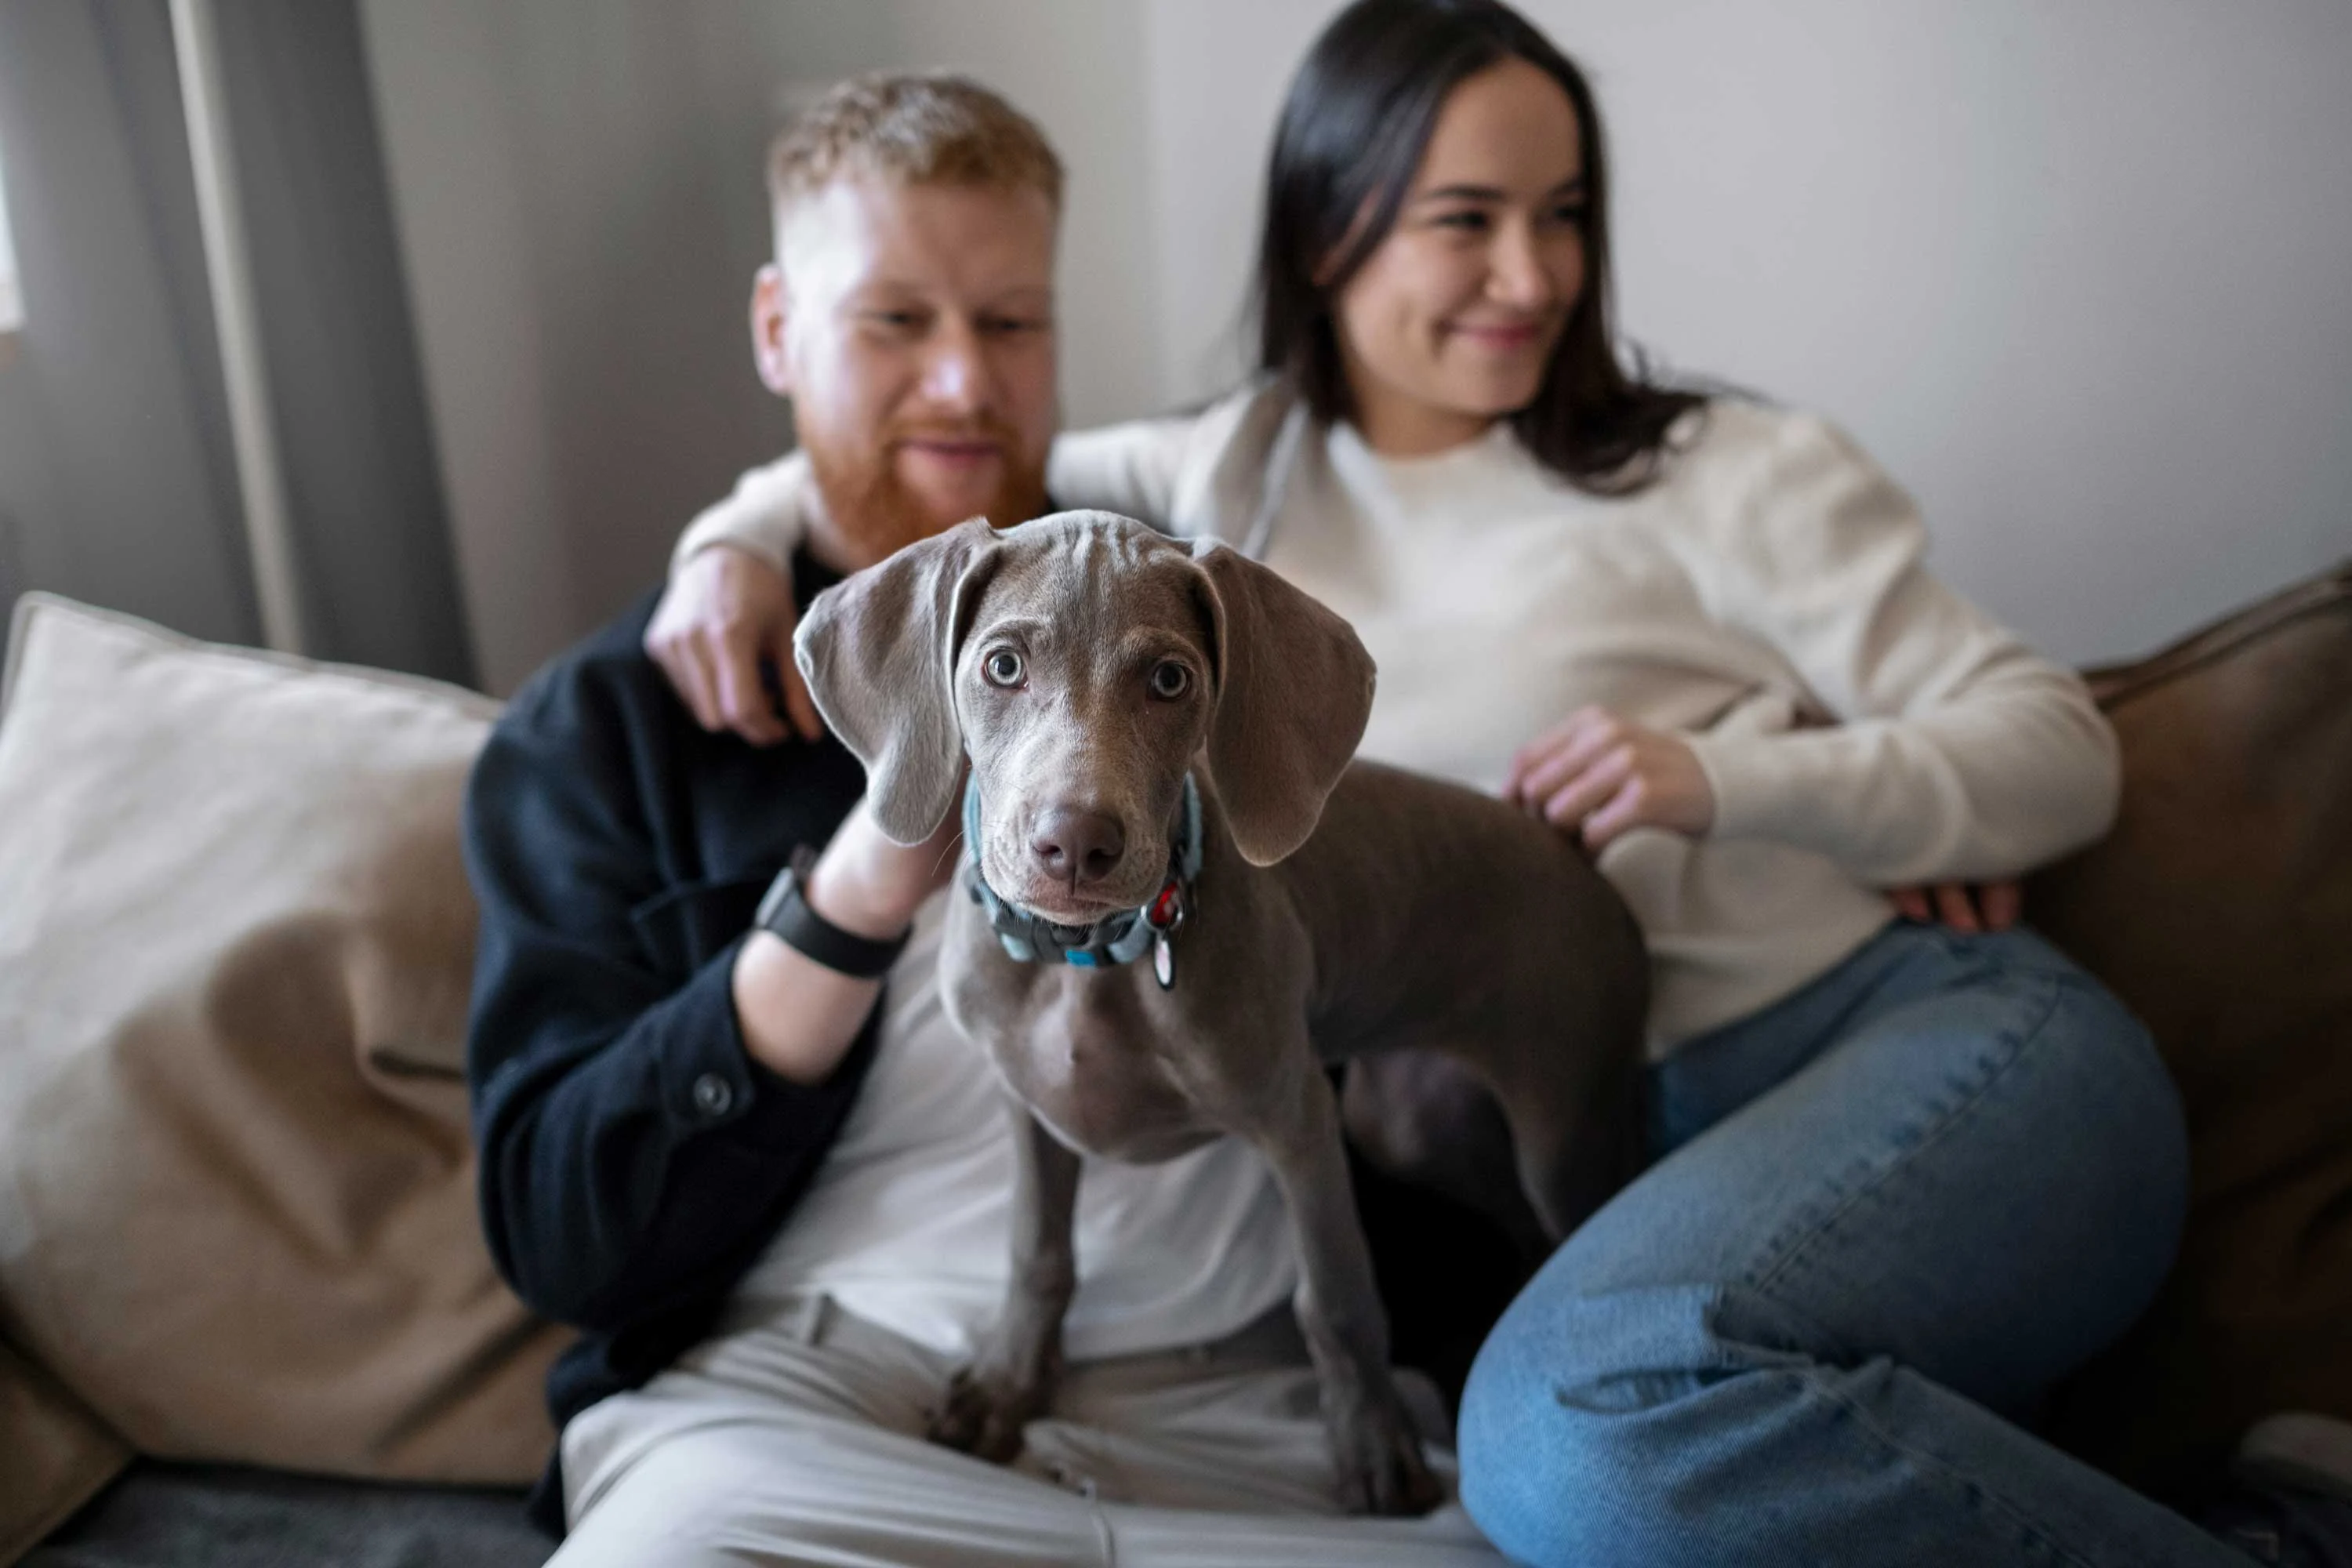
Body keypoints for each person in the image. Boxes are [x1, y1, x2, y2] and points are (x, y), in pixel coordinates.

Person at [651, 5, 2281, 1564]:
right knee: (1576, 1442)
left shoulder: (1726, 471)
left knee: (1565, 1430)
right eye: (1465, 217)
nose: (1532, 273)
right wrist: (725, 541)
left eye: (1564, 213)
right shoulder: (1226, 472)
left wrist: (1731, 777)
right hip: (1643, 1137)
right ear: (1325, 232)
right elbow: (945, 474)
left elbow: (2057, 749)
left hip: (1914, 1044)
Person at [464, 71, 1512, 1567]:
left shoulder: (1162, 587)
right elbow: (562, 1231)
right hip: (823, 1399)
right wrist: (853, 884)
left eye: (1011, 323)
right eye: (894, 320)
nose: (963, 382)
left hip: (1259, 1402)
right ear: (778, 331)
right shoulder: (606, 731)